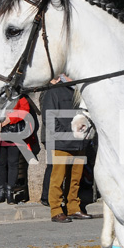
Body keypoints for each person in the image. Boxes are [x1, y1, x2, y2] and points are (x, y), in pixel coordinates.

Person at [42, 75, 92, 223]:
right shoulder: (54, 91)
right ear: (64, 75)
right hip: (61, 142)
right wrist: (65, 135)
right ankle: (56, 210)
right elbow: (49, 118)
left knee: (75, 179)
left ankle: (74, 208)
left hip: (80, 142)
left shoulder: (81, 91)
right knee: (57, 178)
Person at [0, 95, 36, 205]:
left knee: (13, 163)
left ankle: (10, 193)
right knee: (0, 164)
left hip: (14, 135)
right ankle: (1, 192)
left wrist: (10, 119)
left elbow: (25, 112)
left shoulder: (20, 98)